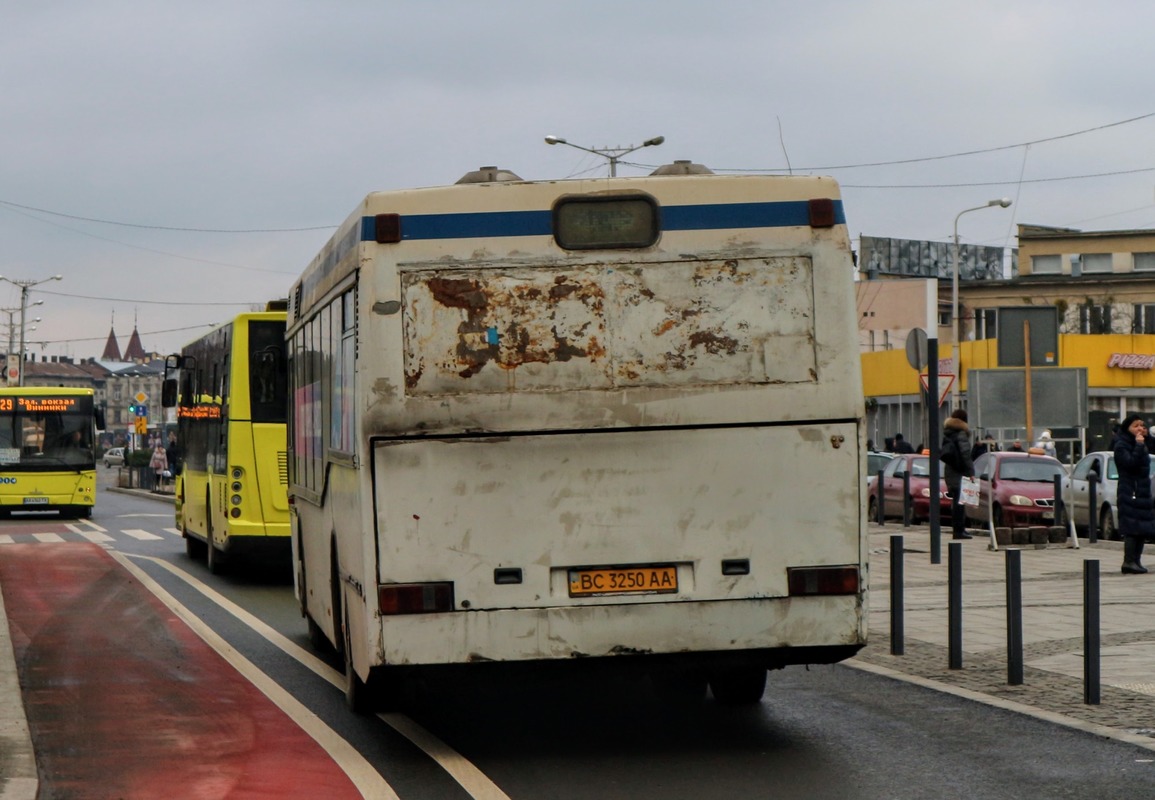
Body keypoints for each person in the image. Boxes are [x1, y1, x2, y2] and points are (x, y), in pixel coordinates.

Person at [1115, 413, 1155, 574]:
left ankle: (1136, 560)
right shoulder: (1121, 445)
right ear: (1128, 428)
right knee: (1131, 527)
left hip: (1142, 490)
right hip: (1130, 490)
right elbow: (1130, 463)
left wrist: (1147, 439)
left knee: (1142, 528)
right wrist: (1139, 446)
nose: (1140, 429)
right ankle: (1129, 561)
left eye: (1141, 425)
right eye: (1135, 426)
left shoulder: (1141, 443)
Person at [941, 408, 975, 540]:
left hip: (950, 469)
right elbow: (965, 453)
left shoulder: (949, 433)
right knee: (960, 502)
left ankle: (958, 529)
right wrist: (971, 471)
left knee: (956, 501)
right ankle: (959, 530)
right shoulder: (961, 433)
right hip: (959, 471)